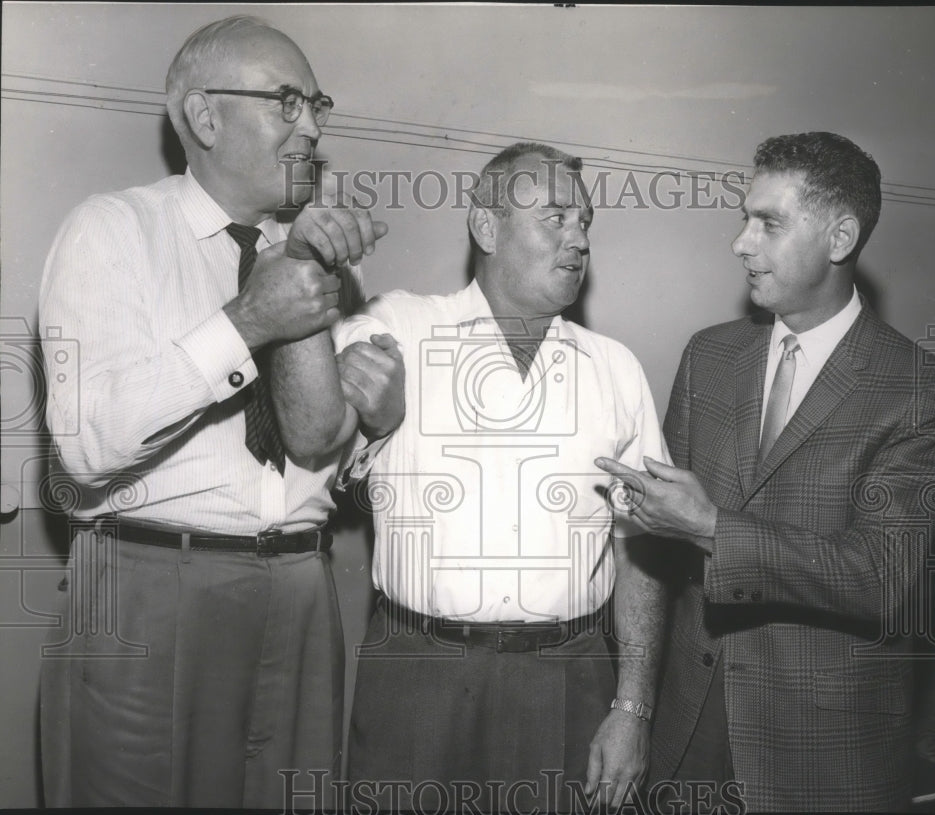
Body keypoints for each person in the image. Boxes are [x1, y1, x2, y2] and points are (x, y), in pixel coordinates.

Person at [37, 15, 402, 808]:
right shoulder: (111, 231)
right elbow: (87, 442)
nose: (312, 125)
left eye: (317, 104)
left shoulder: (320, 256)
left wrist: (369, 421)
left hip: (304, 588)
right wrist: (245, 322)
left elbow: (317, 448)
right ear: (204, 117)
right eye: (287, 102)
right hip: (149, 584)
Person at [597, 132, 935, 811]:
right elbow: (655, 558)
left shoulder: (920, 389)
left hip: (822, 759)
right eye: (744, 219)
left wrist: (711, 527)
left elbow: (884, 578)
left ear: (840, 236)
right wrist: (634, 707)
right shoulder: (709, 356)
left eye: (768, 222)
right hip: (689, 742)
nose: (741, 242)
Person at [329, 142, 670, 812]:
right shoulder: (396, 326)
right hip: (417, 674)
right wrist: (375, 421)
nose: (578, 239)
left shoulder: (614, 367)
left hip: (568, 678)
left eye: (586, 223)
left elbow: (644, 551)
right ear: (486, 227)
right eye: (556, 217)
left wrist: (633, 707)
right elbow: (314, 448)